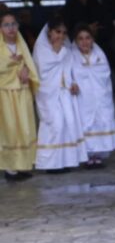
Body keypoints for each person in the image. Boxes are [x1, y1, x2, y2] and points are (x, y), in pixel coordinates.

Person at [33, 17, 88, 173]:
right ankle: (50, 163)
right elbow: (44, 71)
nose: (61, 36)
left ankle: (65, 161)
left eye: (64, 33)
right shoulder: (41, 49)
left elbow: (70, 69)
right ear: (49, 32)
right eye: (57, 32)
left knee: (68, 125)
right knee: (54, 126)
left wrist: (73, 82)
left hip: (65, 94)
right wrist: (58, 51)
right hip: (49, 94)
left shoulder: (66, 47)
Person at [71, 23, 115, 168]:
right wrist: (73, 82)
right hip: (83, 98)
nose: (84, 42)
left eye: (87, 38)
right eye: (80, 38)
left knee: (101, 121)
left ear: (92, 39)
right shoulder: (72, 58)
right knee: (85, 123)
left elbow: (105, 75)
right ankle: (87, 155)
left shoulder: (100, 56)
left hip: (100, 97)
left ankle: (98, 155)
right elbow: (68, 75)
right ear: (75, 41)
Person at [0, 10, 39, 181]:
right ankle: (10, 169)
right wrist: (14, 63)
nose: (10, 28)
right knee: (9, 130)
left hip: (22, 92)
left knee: (25, 127)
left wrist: (25, 70)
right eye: (6, 25)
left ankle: (23, 164)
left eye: (13, 24)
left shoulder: (21, 44)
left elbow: (29, 64)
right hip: (5, 94)